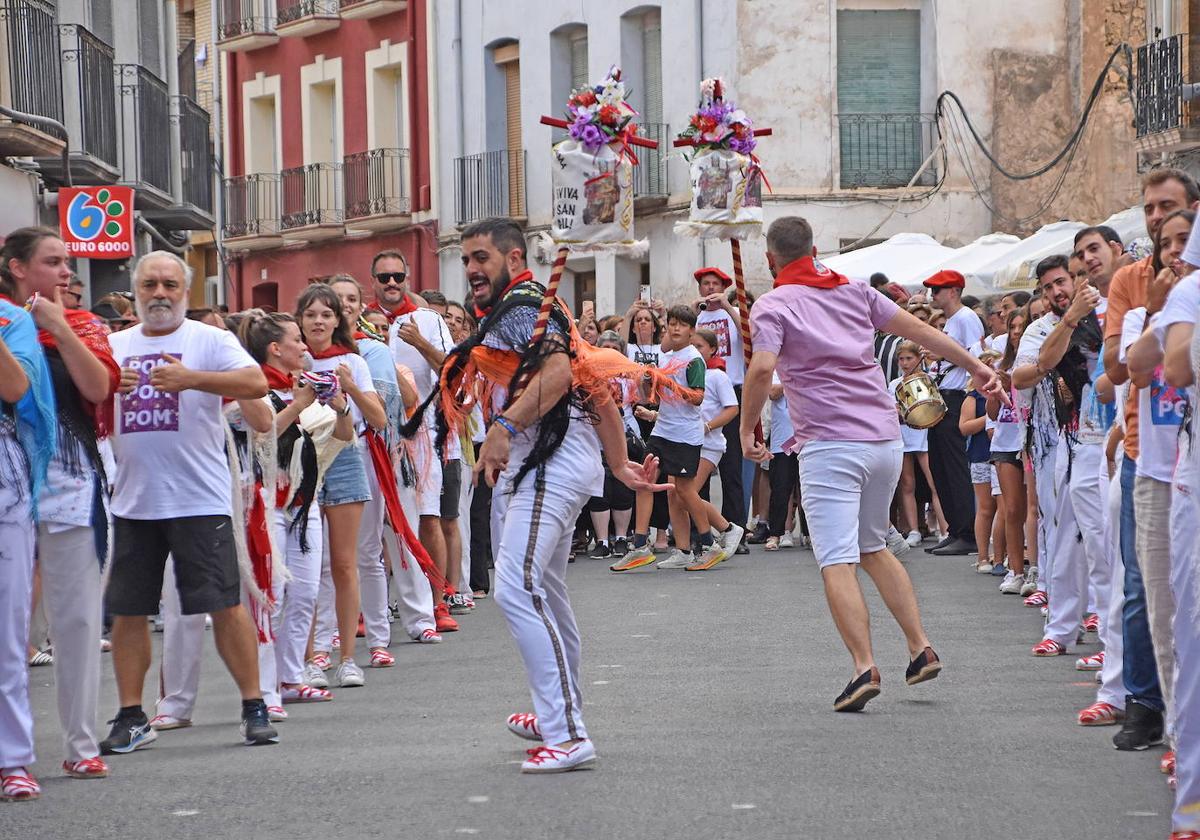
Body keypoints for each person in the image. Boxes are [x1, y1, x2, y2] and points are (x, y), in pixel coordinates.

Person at [740, 216, 1003, 712]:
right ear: (815, 249)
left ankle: (864, 668)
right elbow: (922, 332)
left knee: (836, 558)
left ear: (771, 258)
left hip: (829, 442)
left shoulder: (774, 303)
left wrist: (746, 428)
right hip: (882, 438)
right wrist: (978, 366)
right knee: (873, 546)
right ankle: (919, 646)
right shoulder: (855, 291)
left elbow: (760, 367)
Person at [438, 217, 664, 773]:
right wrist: (618, 463)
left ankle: (567, 732)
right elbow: (597, 388)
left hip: (548, 464)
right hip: (546, 464)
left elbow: (562, 375)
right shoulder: (530, 307)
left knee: (516, 587)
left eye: (481, 257)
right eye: (466, 259)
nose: (471, 269)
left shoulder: (522, 307)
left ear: (514, 259)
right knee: (545, 590)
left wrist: (503, 429)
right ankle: (555, 710)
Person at [101, 251, 277, 752]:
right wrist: (110, 386)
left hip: (198, 497)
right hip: (134, 500)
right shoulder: (114, 345)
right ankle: (132, 715)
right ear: (136, 291)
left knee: (223, 604)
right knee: (130, 612)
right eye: (151, 284)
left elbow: (256, 384)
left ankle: (254, 705)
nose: (160, 293)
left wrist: (192, 379)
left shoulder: (210, 340)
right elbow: (89, 395)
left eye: (170, 285)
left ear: (186, 290)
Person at [1, 229, 120, 780]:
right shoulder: (5, 319)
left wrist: (58, 328)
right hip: (11, 479)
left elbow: (98, 390)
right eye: (53, 262)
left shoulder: (83, 325)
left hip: (69, 482)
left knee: (76, 620)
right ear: (18, 268)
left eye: (68, 262)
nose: (67, 272)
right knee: (11, 625)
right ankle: (14, 757)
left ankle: (80, 742)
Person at [1103, 168, 1200, 752]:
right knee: (1147, 593)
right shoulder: (1132, 282)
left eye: (1169, 210)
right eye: (1149, 212)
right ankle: (1151, 710)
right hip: (1149, 453)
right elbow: (1124, 369)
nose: (1159, 221)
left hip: (1184, 456)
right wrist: (1162, 308)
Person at [237, 310, 350, 708]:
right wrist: (301, 402)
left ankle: (290, 677)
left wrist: (339, 406)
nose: (305, 347)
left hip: (304, 504)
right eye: (297, 340)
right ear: (275, 348)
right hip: (266, 503)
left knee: (305, 593)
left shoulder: (304, 387)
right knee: (272, 597)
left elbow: (344, 436)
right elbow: (262, 436)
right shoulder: (253, 387)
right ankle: (264, 690)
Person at [1123, 208, 1194, 765]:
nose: (1176, 251)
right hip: (1157, 472)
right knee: (1165, 610)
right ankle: (1178, 732)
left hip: (1187, 470)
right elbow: (1144, 369)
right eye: (1166, 243)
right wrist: (1163, 309)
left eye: (1185, 240)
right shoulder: (1155, 307)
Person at [298, 283, 387, 688]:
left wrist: (349, 387)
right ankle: (314, 653)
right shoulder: (291, 357)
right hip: (300, 461)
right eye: (311, 314)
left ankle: (347, 657)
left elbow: (380, 419)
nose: (318, 321)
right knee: (308, 566)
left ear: (338, 321)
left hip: (345, 457)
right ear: (300, 319)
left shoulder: (353, 360)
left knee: (344, 562)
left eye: (326, 315)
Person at [611, 306, 736, 572]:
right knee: (645, 479)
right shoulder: (669, 354)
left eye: (682, 325)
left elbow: (697, 398)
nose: (676, 329)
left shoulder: (693, 359)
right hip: (662, 430)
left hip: (685, 435)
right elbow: (652, 394)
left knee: (684, 491)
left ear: (692, 331)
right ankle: (641, 546)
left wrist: (669, 384)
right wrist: (648, 379)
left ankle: (709, 544)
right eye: (672, 323)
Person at [381, 250, 464, 623]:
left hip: (424, 437)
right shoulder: (365, 322)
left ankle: (437, 602)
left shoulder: (428, 321)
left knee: (429, 519)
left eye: (398, 276)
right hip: (376, 436)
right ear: (375, 282)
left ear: (408, 277)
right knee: (378, 527)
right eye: (384, 278)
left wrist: (420, 343)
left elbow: (453, 372)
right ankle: (375, 609)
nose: (392, 283)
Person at [0, 280, 56, 801]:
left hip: (4, 482)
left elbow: (18, 391)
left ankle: (11, 758)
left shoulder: (10, 320)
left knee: (8, 628)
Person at [921, 270, 983, 556]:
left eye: (938, 290)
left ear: (954, 292)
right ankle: (956, 529)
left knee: (955, 468)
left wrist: (941, 354)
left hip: (957, 398)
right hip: (944, 397)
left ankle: (967, 532)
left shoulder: (966, 318)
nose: (934, 295)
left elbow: (976, 357)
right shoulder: (954, 321)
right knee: (940, 467)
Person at [692, 267, 747, 538]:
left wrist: (726, 304)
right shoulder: (697, 316)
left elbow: (748, 334)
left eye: (715, 284)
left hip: (730, 390)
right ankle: (701, 529)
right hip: (700, 391)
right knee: (697, 463)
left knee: (731, 465)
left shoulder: (729, 313)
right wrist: (692, 312)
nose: (710, 288)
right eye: (706, 284)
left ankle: (735, 526)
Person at [987, 310, 1032, 595]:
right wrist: (996, 391)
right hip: (1004, 443)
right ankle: (1015, 571)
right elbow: (992, 413)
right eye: (1012, 326)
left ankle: (1037, 569)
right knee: (1012, 509)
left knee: (1035, 510)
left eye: (1022, 326)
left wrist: (1015, 387)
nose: (1016, 331)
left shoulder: (1036, 363)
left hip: (1031, 442)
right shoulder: (1000, 365)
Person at [889, 341, 947, 547]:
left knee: (935, 483)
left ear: (919, 359)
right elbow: (892, 412)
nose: (905, 363)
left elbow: (934, 409)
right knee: (907, 484)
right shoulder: (894, 384)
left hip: (924, 438)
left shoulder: (929, 379)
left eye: (909, 358)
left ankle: (944, 528)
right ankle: (913, 529)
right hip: (903, 437)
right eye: (902, 359)